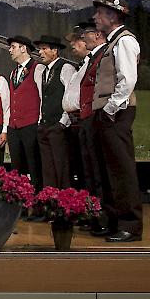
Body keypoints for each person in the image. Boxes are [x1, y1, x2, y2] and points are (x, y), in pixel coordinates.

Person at [91, 0, 142, 243]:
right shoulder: (113, 43)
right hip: (109, 112)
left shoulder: (124, 41)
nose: (95, 17)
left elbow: (128, 80)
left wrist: (111, 108)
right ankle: (113, 220)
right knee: (108, 170)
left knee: (121, 169)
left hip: (117, 112)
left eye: (99, 13)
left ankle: (130, 225)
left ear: (113, 16)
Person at [76, 21, 112, 234]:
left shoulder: (103, 56)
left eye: (86, 34)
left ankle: (104, 219)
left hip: (96, 116)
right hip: (85, 117)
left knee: (98, 173)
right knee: (89, 172)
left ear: (98, 35)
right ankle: (93, 215)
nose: (83, 38)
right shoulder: (91, 59)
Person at [33, 35, 77, 189]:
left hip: (58, 127)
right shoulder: (43, 71)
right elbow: (41, 98)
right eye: (40, 49)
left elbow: (70, 97)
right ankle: (50, 203)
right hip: (44, 126)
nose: (40, 52)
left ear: (55, 51)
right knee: (48, 170)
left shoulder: (66, 68)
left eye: (44, 49)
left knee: (61, 168)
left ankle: (64, 203)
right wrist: (40, 121)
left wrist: (62, 123)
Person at [6, 35, 44, 192]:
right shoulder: (13, 73)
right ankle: (18, 199)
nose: (10, 50)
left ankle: (37, 200)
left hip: (31, 124)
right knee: (16, 167)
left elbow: (42, 97)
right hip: (14, 126)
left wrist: (40, 122)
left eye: (13, 47)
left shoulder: (37, 68)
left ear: (23, 48)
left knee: (34, 165)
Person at [61, 22, 93, 193]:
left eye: (75, 40)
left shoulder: (92, 64)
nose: (72, 44)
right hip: (74, 122)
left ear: (85, 39)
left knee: (87, 167)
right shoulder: (81, 65)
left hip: (84, 119)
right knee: (78, 166)